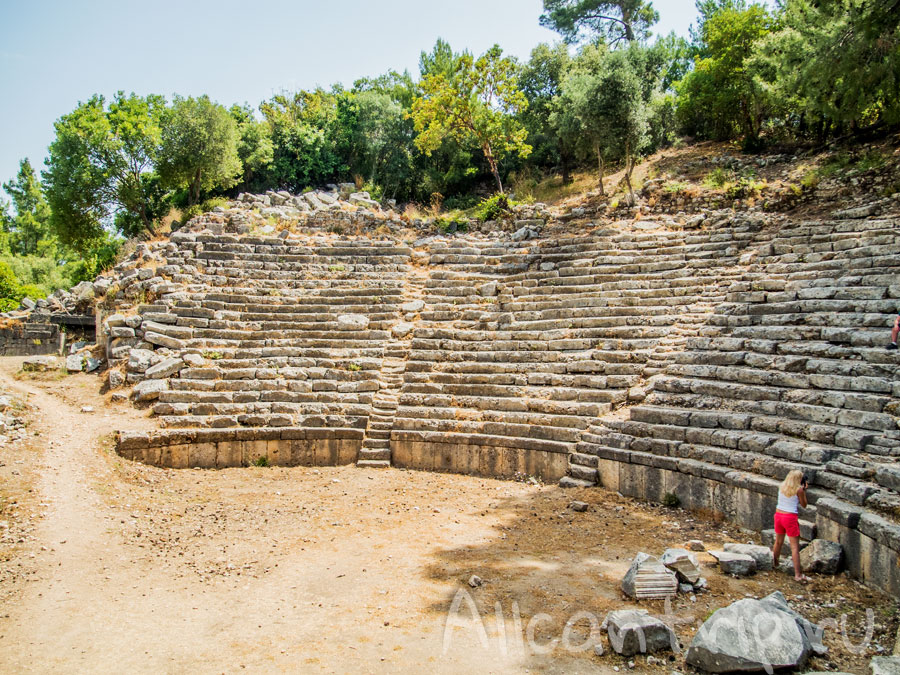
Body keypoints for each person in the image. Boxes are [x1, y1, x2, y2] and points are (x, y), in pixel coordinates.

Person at [772, 469, 809, 583]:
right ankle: (798, 574)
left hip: (778, 515)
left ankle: (775, 563)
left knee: (778, 542)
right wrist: (804, 491)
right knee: (794, 547)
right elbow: (804, 505)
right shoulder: (799, 490)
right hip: (790, 517)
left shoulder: (781, 486)